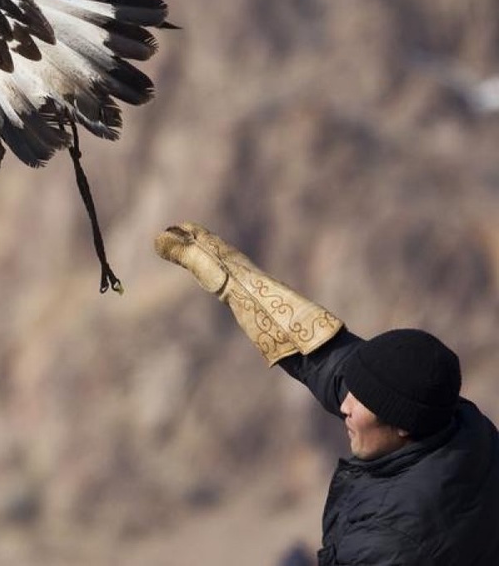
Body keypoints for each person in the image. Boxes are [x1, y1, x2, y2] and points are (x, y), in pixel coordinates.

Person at [155, 222, 499, 566]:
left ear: (402, 427)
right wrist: (230, 277)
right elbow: (318, 352)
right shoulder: (453, 422)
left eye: (360, 401)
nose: (344, 405)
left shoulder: (390, 541)